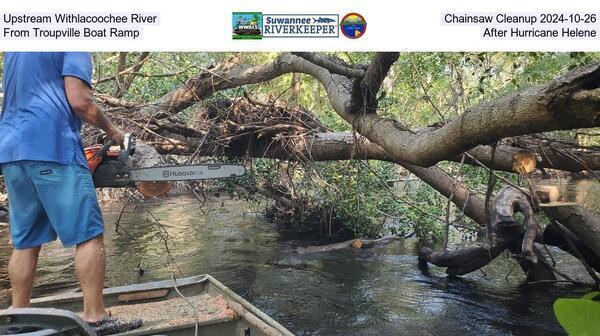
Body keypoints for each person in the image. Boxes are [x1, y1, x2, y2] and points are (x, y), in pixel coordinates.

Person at [0, 52, 142, 335]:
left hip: (12, 150)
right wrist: (114, 132)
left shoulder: (18, 48)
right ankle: (96, 317)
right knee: (88, 234)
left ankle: (19, 317)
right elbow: (81, 102)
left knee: (25, 240)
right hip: (52, 146)